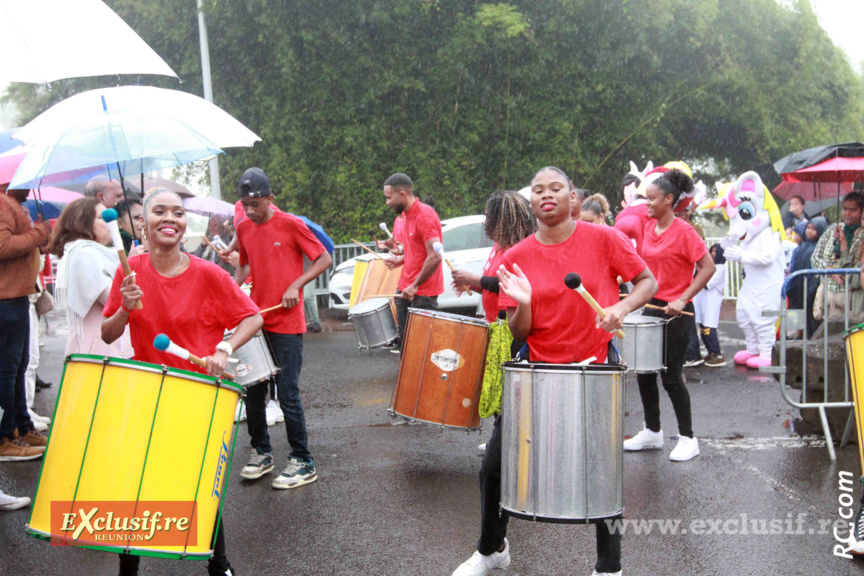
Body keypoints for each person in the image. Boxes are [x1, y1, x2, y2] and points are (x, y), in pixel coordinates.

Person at [451, 166, 657, 576]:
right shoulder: (517, 255)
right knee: (494, 467)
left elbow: (646, 281)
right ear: (531, 204)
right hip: (537, 370)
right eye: (538, 191)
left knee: (601, 471)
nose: (547, 195)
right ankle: (492, 549)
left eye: (556, 188)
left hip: (594, 369)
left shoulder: (605, 238)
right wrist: (524, 303)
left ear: (572, 199)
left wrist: (620, 308)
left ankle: (609, 565)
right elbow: (516, 332)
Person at [102, 188, 262, 576]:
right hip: (149, 393)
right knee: (137, 485)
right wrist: (125, 306)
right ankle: (128, 569)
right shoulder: (129, 272)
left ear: (183, 223)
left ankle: (219, 565)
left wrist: (224, 347)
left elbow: (252, 317)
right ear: (144, 222)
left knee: (198, 485)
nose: (169, 218)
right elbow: (108, 334)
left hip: (196, 396)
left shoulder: (208, 273)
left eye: (177, 212)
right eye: (159, 211)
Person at [232, 167, 332, 489]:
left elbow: (323, 258)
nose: (250, 210)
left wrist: (296, 285)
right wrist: (230, 292)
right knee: (253, 390)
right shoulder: (244, 227)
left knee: (287, 392)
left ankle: (303, 460)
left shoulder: (291, 224)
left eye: (256, 204)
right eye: (245, 203)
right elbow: (244, 264)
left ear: (270, 199)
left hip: (287, 322)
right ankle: (261, 452)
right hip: (257, 319)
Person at [623, 169, 715, 462]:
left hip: (677, 312)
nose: (646, 203)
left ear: (669, 200)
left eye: (651, 198)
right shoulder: (649, 228)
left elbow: (708, 268)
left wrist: (683, 297)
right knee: (645, 372)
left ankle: (688, 438)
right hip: (651, 309)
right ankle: (652, 431)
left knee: (671, 377)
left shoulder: (685, 231)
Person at [0, 183, 50, 461]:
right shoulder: (3, 203)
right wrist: (39, 233)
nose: (30, 185)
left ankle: (20, 427)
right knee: (8, 372)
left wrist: (37, 242)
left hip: (15, 296)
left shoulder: (10, 204)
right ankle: (6, 436)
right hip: (6, 299)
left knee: (15, 369)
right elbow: (4, 246)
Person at [48, 197, 133, 357]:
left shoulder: (90, 252)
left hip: (101, 347)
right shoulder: (84, 253)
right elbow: (113, 299)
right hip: (99, 351)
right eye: (102, 218)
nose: (110, 223)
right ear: (82, 222)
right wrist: (131, 266)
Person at [449, 190, 536, 322]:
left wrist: (473, 278)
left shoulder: (520, 249)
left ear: (504, 221)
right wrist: (471, 285)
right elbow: (491, 287)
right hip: (493, 321)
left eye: (490, 217)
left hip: (509, 326)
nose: (485, 222)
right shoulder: (498, 246)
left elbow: (505, 284)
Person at [382, 173, 444, 352]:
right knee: (406, 345)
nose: (387, 202)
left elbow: (435, 255)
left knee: (420, 350)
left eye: (389, 197)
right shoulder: (407, 215)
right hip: (406, 288)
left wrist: (415, 285)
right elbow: (417, 249)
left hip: (422, 293)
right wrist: (401, 260)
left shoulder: (424, 216)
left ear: (402, 194)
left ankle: (419, 381)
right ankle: (406, 380)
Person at [811, 192, 864, 318]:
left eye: (853, 210)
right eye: (845, 209)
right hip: (829, 292)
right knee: (829, 334)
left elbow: (854, 266)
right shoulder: (832, 230)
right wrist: (828, 270)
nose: (847, 214)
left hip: (851, 296)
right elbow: (815, 257)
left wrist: (844, 244)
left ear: (861, 212)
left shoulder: (862, 234)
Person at [693, 244, 727, 366]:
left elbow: (707, 284)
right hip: (703, 303)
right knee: (703, 329)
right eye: (711, 251)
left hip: (711, 303)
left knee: (709, 328)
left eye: (715, 252)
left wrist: (700, 272)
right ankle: (711, 352)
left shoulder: (720, 268)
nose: (713, 254)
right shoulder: (707, 267)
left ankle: (717, 353)